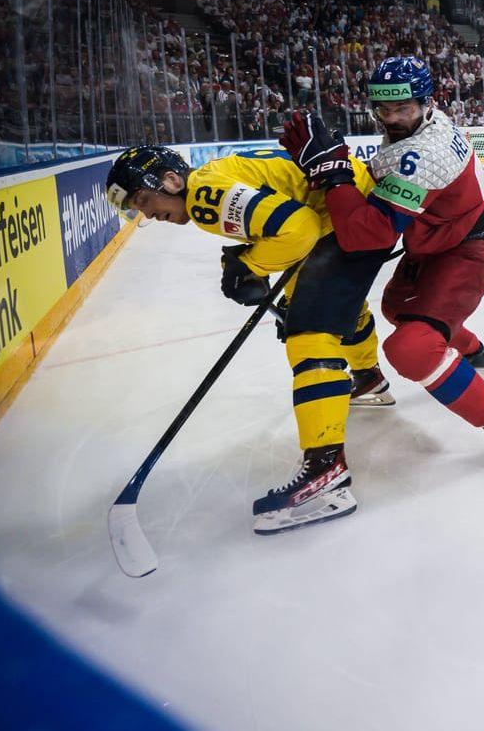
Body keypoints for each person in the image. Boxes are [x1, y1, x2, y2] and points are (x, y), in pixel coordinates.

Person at [102, 144, 394, 535]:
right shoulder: (213, 177)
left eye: (143, 199)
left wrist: (249, 265)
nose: (149, 213)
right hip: (358, 206)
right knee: (325, 304)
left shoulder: (205, 196)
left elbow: (300, 229)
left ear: (170, 180)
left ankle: (327, 476)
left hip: (344, 216)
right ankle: (368, 378)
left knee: (308, 335)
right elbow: (294, 219)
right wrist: (268, 276)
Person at [279, 55, 484, 474]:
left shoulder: (425, 152)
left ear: (426, 102)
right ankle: (473, 351)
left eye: (403, 109)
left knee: (413, 348)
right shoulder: (425, 125)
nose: (393, 118)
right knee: (398, 309)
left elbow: (368, 235)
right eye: (384, 110)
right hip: (437, 244)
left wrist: (334, 174)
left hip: (469, 251)